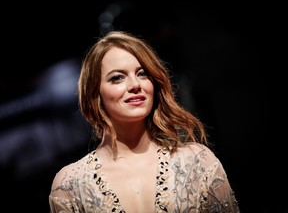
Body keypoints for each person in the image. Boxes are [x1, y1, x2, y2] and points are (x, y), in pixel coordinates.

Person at [48, 30, 240, 213]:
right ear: (94, 93)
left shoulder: (198, 161)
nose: (135, 85)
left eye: (142, 73)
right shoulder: (69, 185)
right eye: (117, 78)